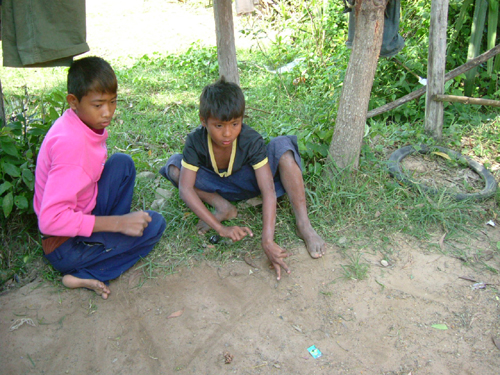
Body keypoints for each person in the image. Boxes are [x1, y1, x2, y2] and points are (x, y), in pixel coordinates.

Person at [159, 76, 326, 280]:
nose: (228, 133)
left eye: (235, 124)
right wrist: (219, 228)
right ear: (204, 121)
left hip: (251, 182)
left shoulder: (250, 139)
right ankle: (224, 208)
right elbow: (185, 189)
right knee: (175, 166)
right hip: (215, 186)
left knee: (283, 146)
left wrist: (267, 240)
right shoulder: (195, 141)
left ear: (242, 120)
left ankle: (304, 224)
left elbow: (268, 191)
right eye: (219, 126)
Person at [34, 56, 166, 299]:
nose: (108, 112)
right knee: (155, 225)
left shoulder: (77, 123)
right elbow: (50, 221)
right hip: (64, 244)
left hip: (83, 211)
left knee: (122, 165)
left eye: (112, 102)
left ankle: (107, 235)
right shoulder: (71, 147)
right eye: (98, 105)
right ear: (73, 101)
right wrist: (119, 223)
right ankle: (85, 273)